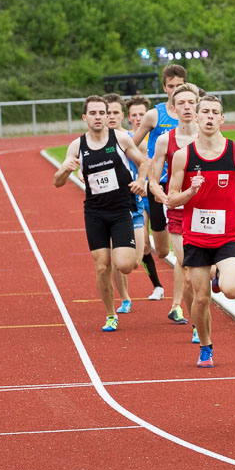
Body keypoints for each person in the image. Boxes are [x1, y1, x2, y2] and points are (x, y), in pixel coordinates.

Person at [167, 95, 235, 368]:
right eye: (203, 111)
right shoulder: (184, 156)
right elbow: (171, 198)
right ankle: (206, 347)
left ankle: (219, 275)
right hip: (196, 236)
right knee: (200, 297)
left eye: (214, 112)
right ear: (196, 117)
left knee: (231, 290)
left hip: (228, 233)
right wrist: (191, 191)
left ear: (221, 119)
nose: (208, 116)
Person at [53, 95, 147, 331]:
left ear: (107, 116)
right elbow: (57, 182)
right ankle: (110, 314)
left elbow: (144, 162)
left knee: (125, 265)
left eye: (101, 113)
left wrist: (141, 181)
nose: (98, 117)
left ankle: (120, 263)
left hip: (121, 210)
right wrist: (65, 170)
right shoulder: (77, 146)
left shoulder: (121, 138)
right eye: (92, 113)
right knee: (102, 266)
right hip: (95, 212)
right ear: (85, 117)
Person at [132, 64, 189, 324]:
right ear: (164, 87)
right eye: (170, 87)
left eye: (179, 86)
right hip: (159, 187)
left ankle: (179, 301)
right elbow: (131, 144)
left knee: (184, 250)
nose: (175, 91)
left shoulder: (194, 113)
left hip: (185, 187)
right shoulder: (155, 116)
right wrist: (141, 170)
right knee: (163, 250)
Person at [150, 83, 202, 343]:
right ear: (172, 109)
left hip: (208, 211)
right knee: (188, 269)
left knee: (206, 274)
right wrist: (162, 197)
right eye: (180, 104)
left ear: (198, 105)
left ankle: (212, 282)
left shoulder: (210, 135)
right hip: (178, 211)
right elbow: (153, 179)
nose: (186, 108)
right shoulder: (164, 141)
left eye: (191, 103)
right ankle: (196, 323)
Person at [103, 93, 146, 314]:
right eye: (107, 112)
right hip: (110, 207)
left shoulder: (132, 138)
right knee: (117, 260)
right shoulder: (96, 140)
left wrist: (143, 182)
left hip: (136, 205)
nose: (110, 116)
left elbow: (146, 162)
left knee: (135, 262)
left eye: (114, 113)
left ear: (122, 115)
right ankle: (125, 298)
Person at [125, 96, 165, 301]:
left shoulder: (160, 134)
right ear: (129, 118)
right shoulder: (129, 141)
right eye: (134, 115)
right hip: (142, 195)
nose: (138, 118)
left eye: (142, 114)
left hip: (160, 191)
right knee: (145, 246)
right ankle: (157, 286)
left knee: (164, 247)